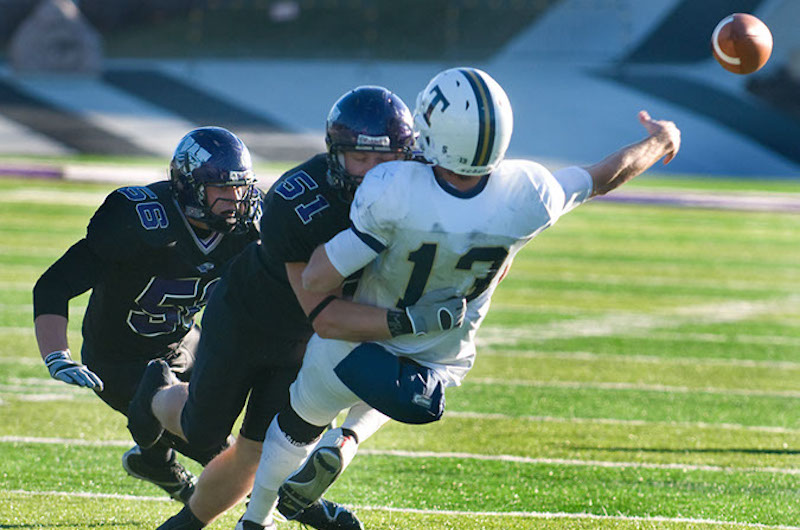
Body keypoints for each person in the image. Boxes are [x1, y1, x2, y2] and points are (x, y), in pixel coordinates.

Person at [237, 66, 682, 529]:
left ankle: (256, 520)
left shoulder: (392, 189)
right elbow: (606, 175)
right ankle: (346, 441)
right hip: (437, 356)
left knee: (296, 423)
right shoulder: (528, 192)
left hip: (356, 337)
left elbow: (317, 277)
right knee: (400, 383)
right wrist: (662, 141)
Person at [126, 86, 466, 530]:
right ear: (335, 155)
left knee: (257, 447)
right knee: (203, 430)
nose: (372, 173)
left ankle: (188, 522)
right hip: (250, 316)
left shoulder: (424, 186)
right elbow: (323, 313)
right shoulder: (297, 200)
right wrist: (408, 322)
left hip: (305, 340)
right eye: (359, 159)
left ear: (407, 156)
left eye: (384, 161)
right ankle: (158, 391)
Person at [32, 126, 263, 503]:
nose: (234, 200)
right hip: (118, 359)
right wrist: (56, 353)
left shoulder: (247, 225)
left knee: (252, 407)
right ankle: (308, 511)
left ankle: (154, 459)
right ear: (188, 186)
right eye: (222, 188)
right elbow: (54, 285)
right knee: (221, 452)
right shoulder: (139, 220)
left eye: (240, 188)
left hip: (186, 340)